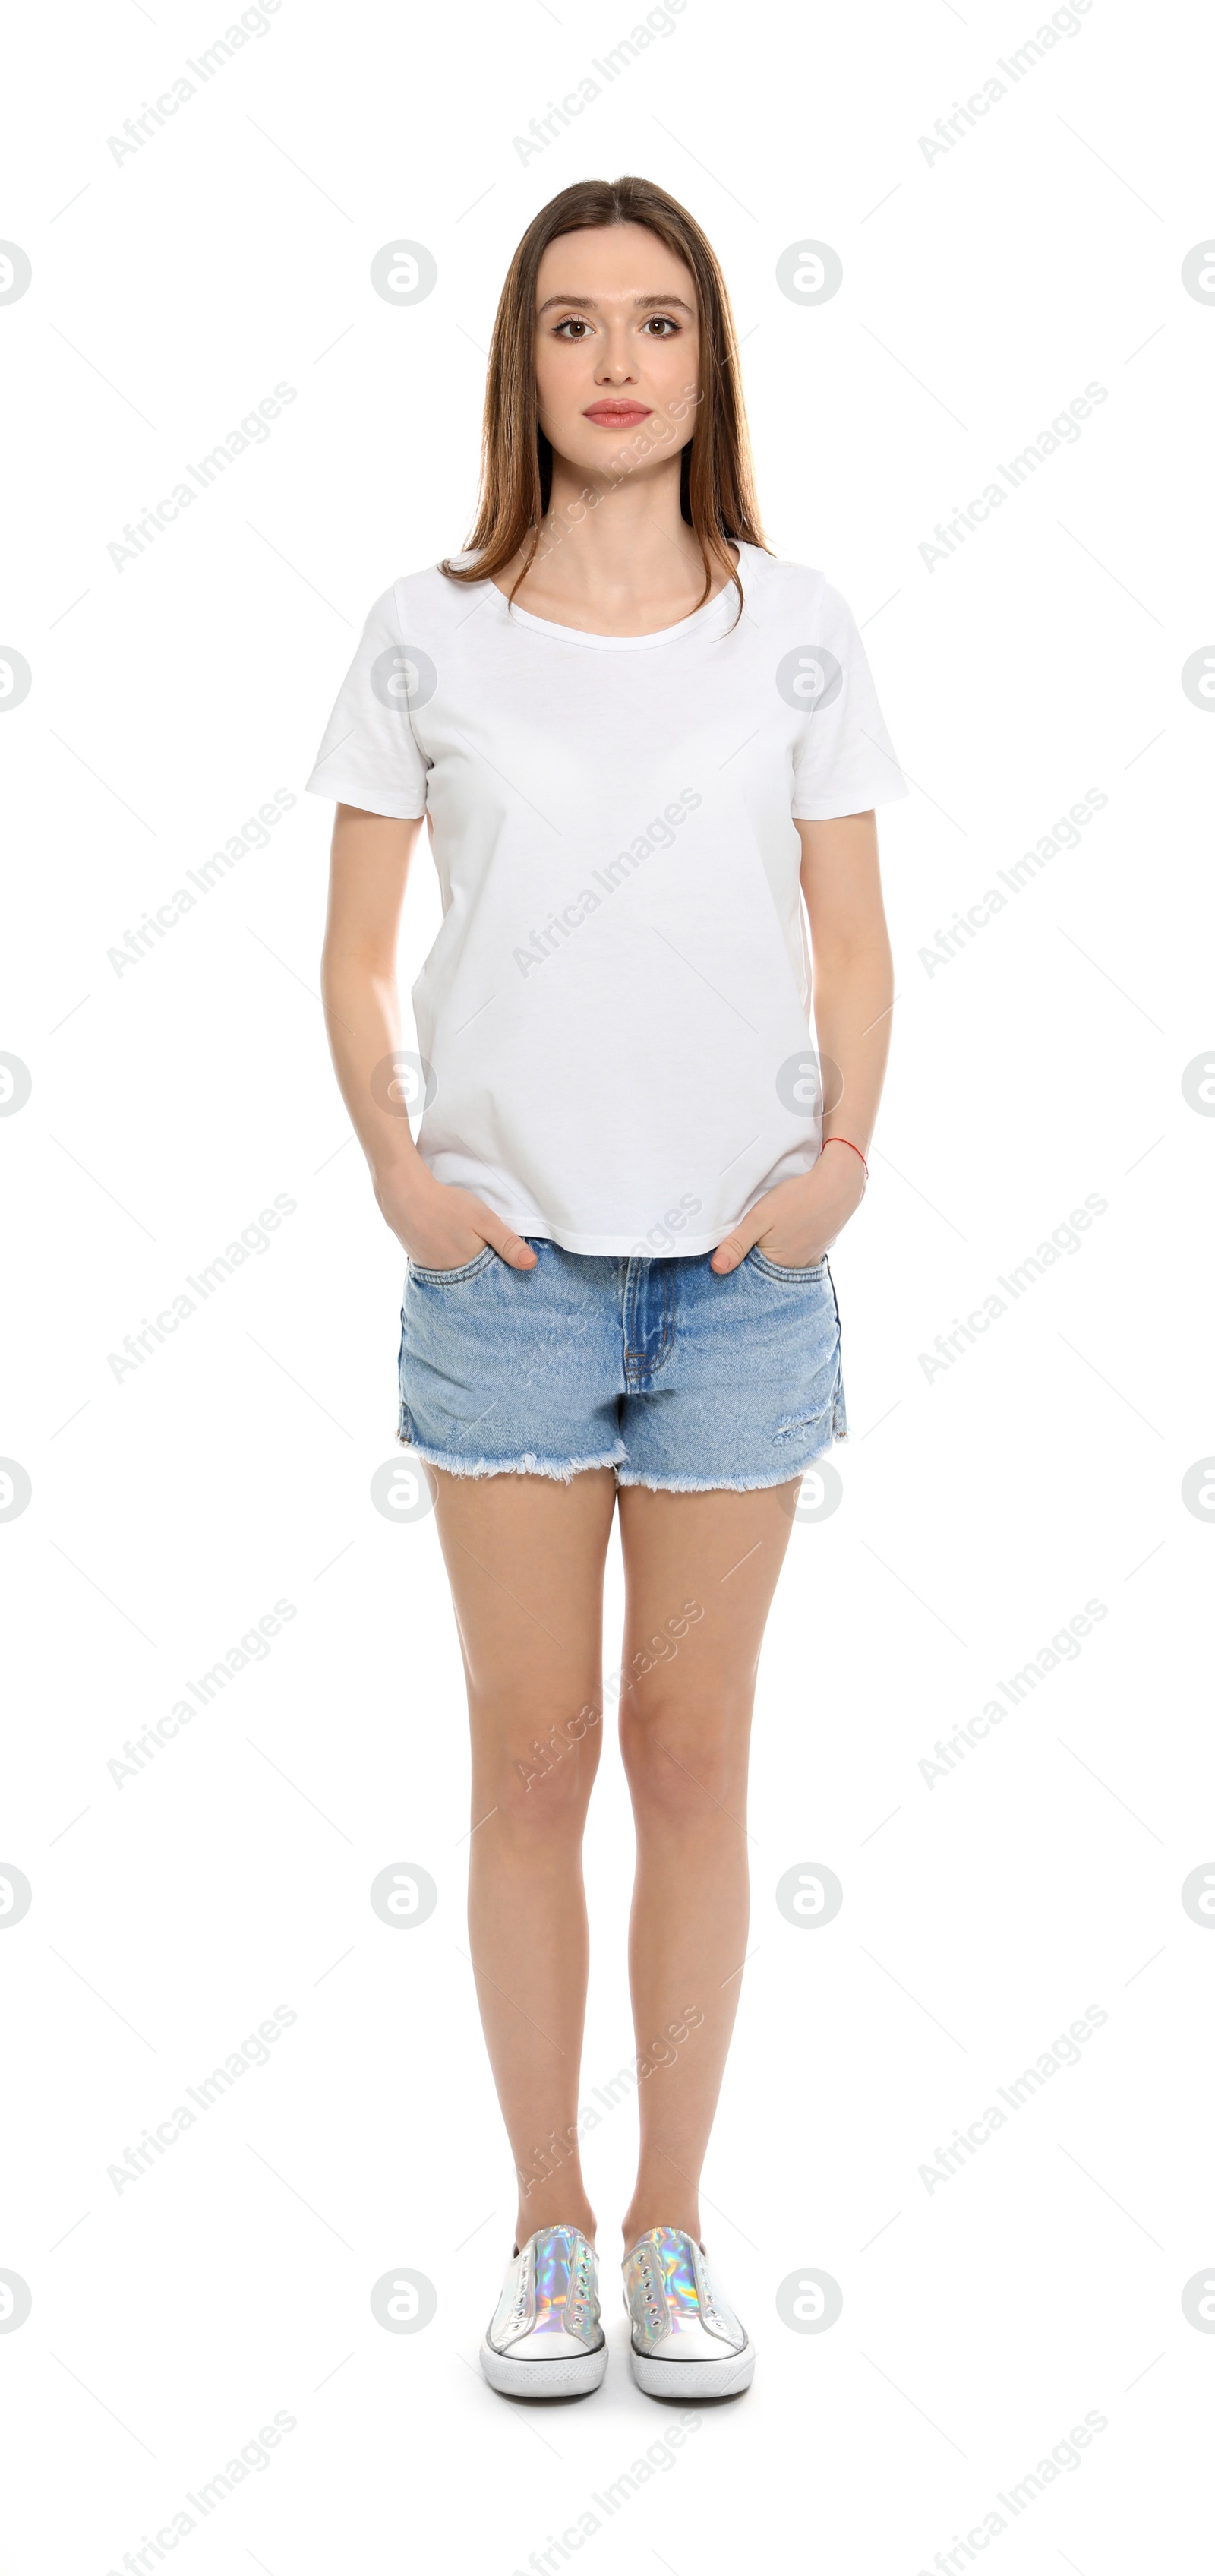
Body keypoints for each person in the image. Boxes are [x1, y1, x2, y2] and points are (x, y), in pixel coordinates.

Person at [308, 173, 904, 2401]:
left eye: (659, 322)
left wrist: (846, 1161)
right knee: (536, 1759)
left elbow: (850, 933)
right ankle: (546, 2230)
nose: (619, 361)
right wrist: (401, 1167)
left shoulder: (798, 623)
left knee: (696, 1755)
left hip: (745, 1280)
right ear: (523, 365)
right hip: (517, 1275)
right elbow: (356, 952)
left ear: (711, 361)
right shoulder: (426, 631)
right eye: (575, 326)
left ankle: (674, 2235)